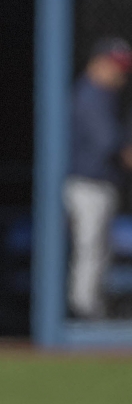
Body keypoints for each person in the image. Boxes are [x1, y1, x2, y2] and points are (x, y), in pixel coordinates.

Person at [64, 37, 132, 319]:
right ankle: (83, 311)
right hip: (86, 184)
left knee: (97, 251)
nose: (121, 74)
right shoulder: (91, 94)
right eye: (115, 66)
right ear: (98, 63)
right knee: (90, 249)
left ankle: (88, 307)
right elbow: (110, 143)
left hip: (96, 184)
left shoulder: (104, 96)